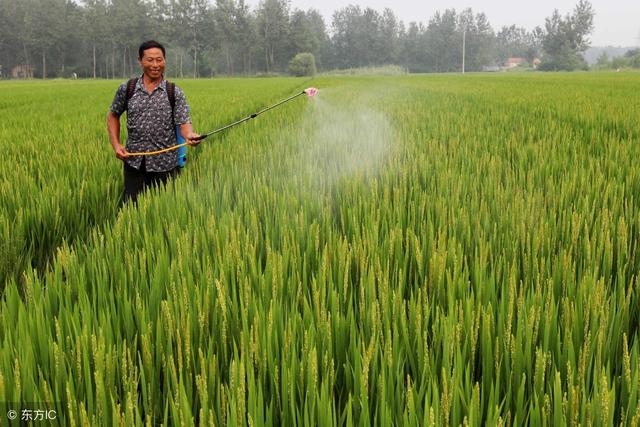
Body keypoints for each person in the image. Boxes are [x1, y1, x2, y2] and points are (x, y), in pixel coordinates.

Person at [107, 40, 200, 204]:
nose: (155, 64)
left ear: (164, 60)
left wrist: (190, 135)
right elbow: (113, 115)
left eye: (159, 59)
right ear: (140, 61)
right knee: (131, 211)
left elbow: (184, 123)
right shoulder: (127, 88)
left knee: (165, 213)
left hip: (166, 166)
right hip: (134, 164)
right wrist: (116, 144)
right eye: (150, 60)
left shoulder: (174, 92)